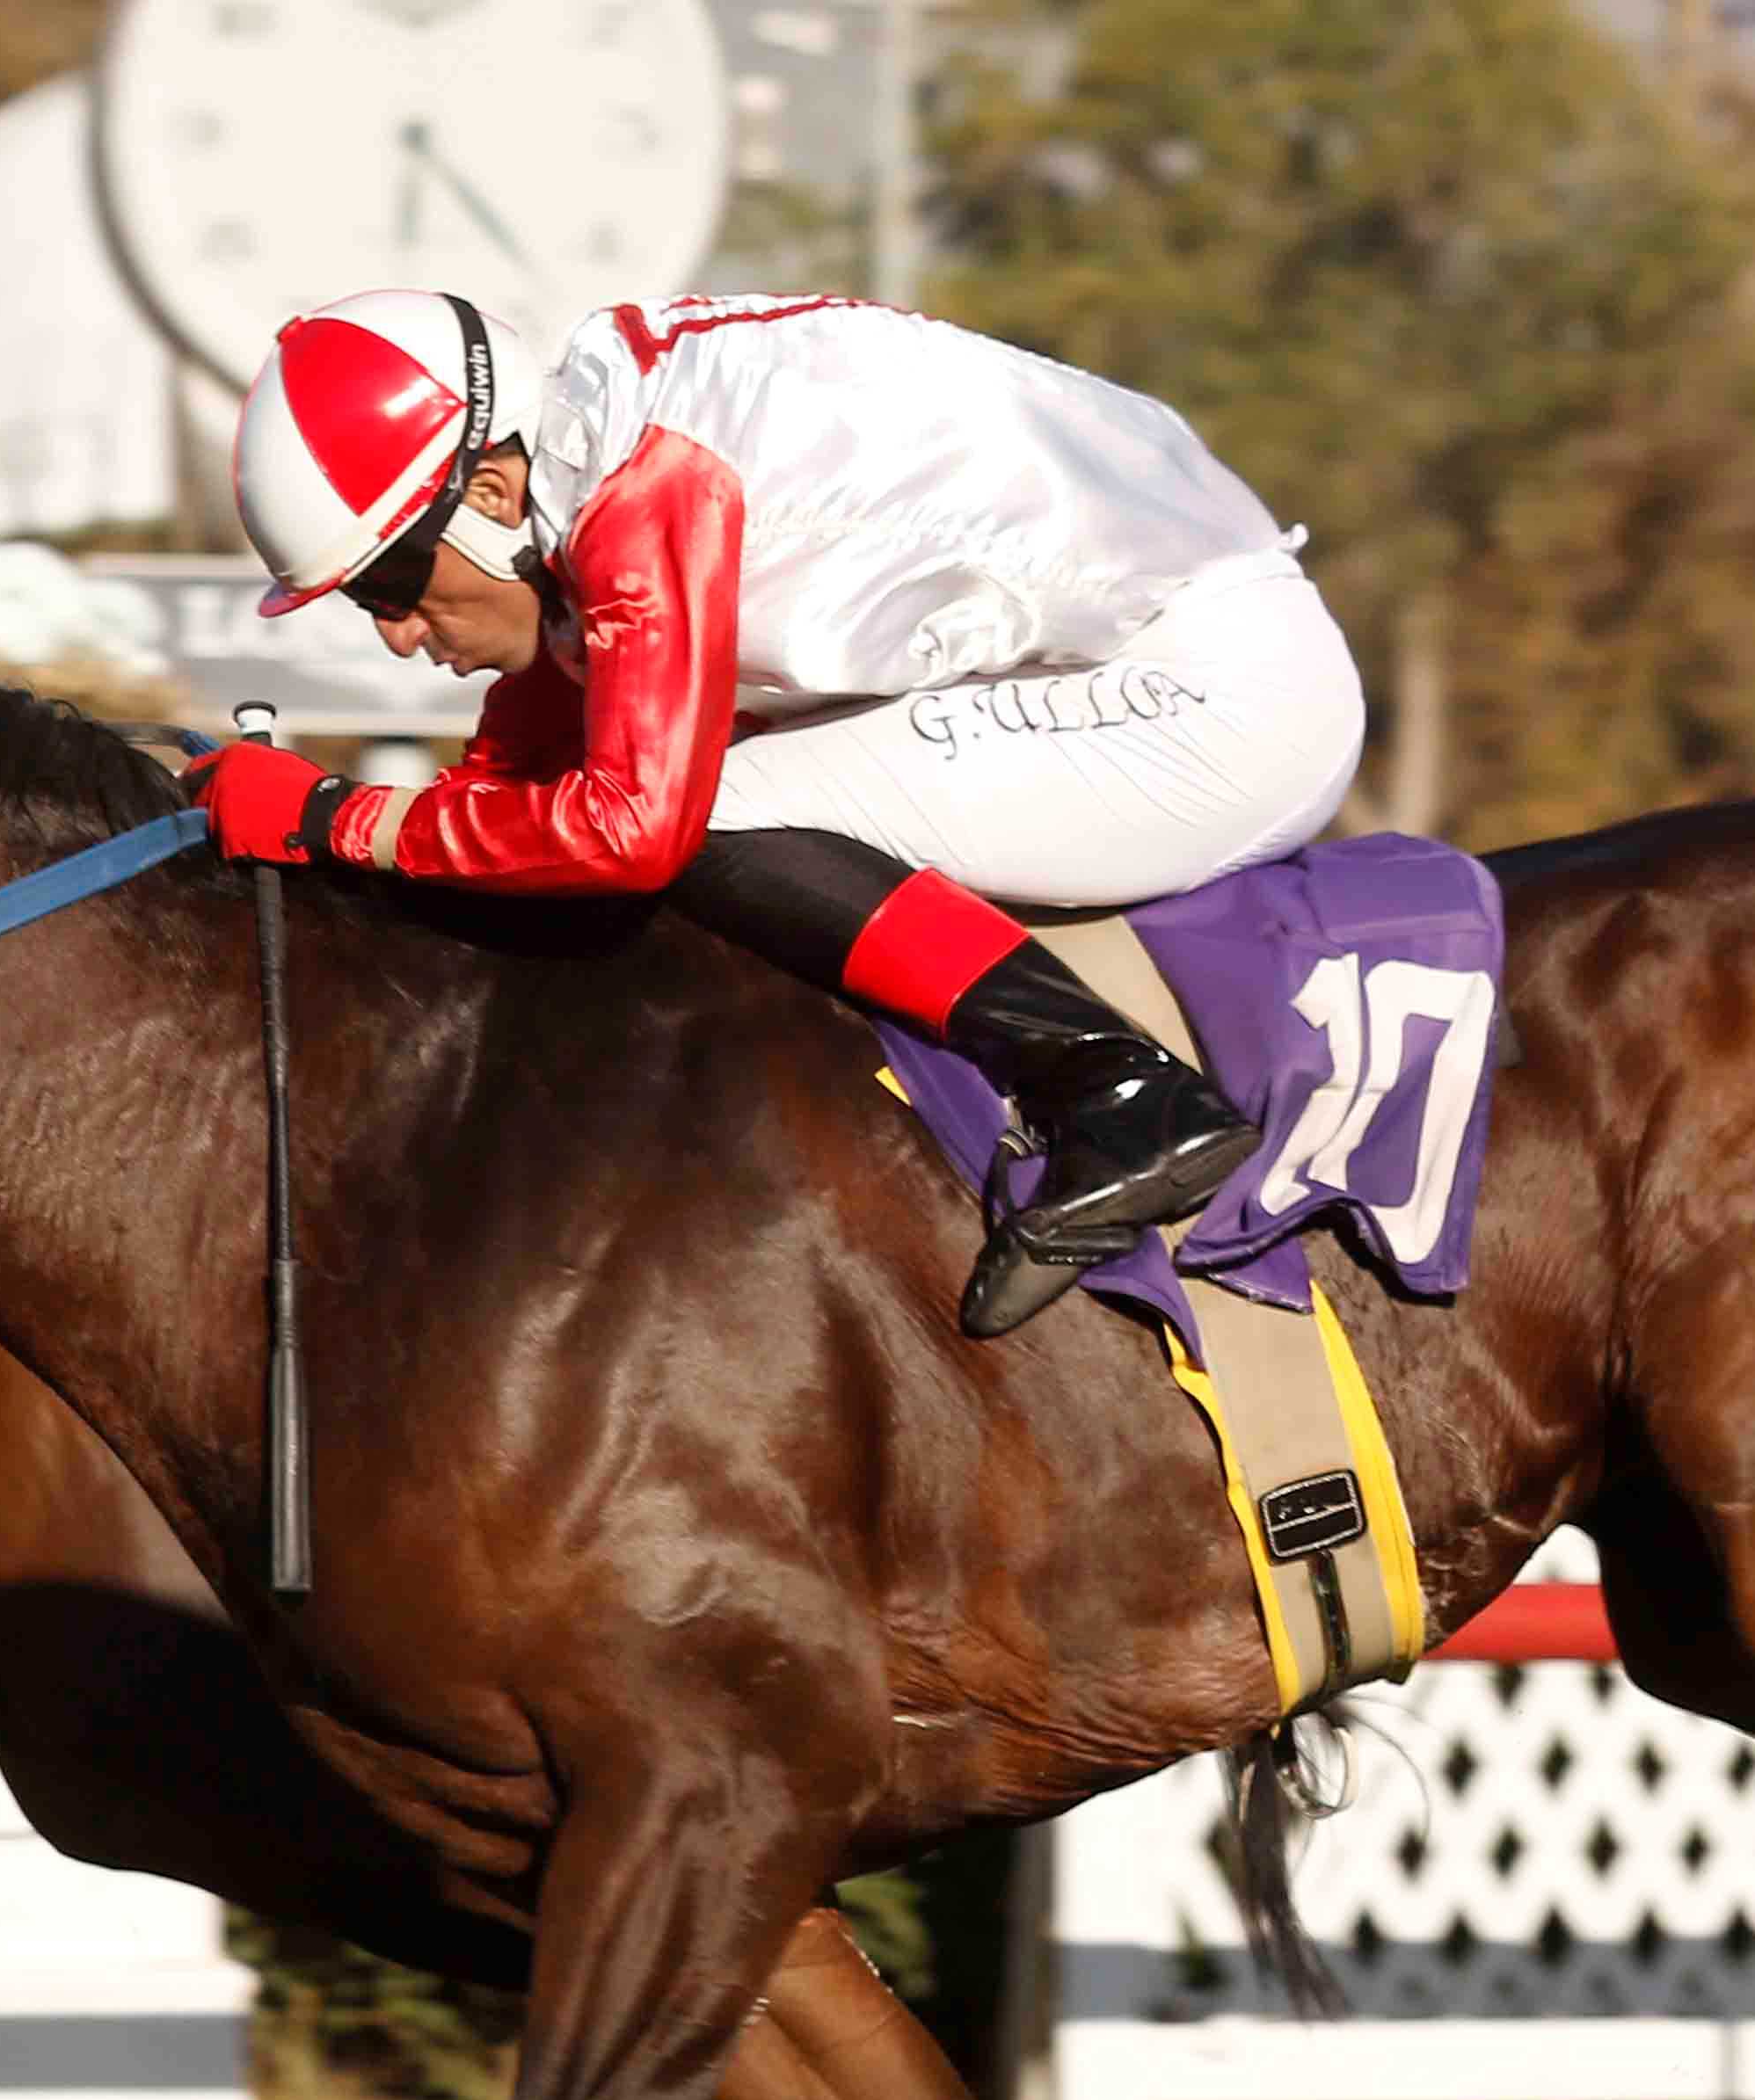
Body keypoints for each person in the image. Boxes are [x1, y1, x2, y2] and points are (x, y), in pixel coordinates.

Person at [202, 288, 1370, 1338]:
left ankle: (1122, 1093)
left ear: (495, 490)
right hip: (1152, 637)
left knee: (712, 814)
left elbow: (631, 825)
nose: (397, 634)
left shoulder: (646, 486)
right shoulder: (601, 441)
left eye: (391, 585)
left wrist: (331, 821)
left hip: (1215, 697)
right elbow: (537, 733)